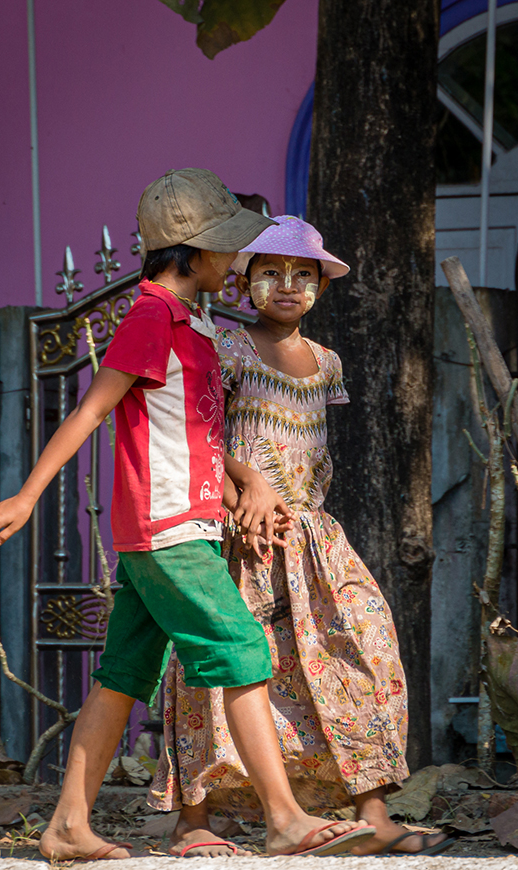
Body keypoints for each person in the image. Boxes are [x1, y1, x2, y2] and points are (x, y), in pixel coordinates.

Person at [0, 175, 375, 861]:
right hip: (165, 528)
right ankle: (284, 818)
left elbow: (196, 437)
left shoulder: (194, 324)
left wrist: (241, 486)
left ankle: (69, 824)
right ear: (190, 252)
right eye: (225, 250)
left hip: (181, 524)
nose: (234, 262)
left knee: (124, 673)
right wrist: (28, 494)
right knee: (244, 647)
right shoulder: (151, 317)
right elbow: (91, 410)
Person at [149, 215, 452, 857]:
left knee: (358, 653)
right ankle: (194, 819)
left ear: (319, 287)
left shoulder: (326, 362)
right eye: (269, 272)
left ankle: (370, 811)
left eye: (302, 275)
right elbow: (196, 435)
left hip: (313, 540)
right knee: (217, 671)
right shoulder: (225, 349)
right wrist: (245, 486)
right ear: (245, 282)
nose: (286, 285)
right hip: (240, 538)